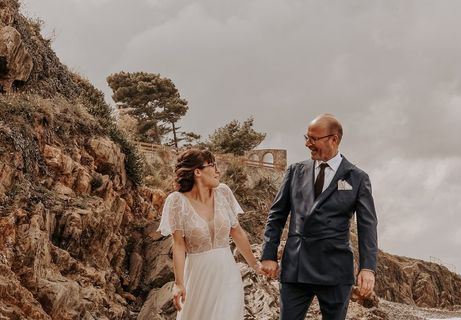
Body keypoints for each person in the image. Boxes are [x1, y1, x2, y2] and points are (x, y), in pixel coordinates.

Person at [261, 114, 378, 320]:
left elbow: (367, 226)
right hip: (295, 267)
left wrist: (367, 268)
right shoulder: (295, 171)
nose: (308, 143)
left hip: (335, 269)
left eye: (313, 139)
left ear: (333, 139)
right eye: (306, 137)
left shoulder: (357, 177)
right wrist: (268, 254)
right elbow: (277, 215)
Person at [158, 149, 263, 319]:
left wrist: (255, 265)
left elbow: (237, 232)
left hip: (228, 274)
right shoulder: (176, 201)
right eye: (213, 166)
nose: (218, 171)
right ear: (197, 171)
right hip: (198, 278)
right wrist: (179, 284)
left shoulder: (223, 192)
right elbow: (178, 245)